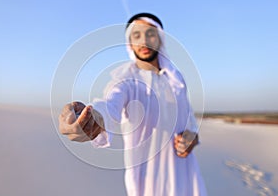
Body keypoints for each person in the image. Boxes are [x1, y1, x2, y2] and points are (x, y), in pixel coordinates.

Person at [59, 13, 207, 196]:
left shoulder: (176, 80)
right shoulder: (126, 80)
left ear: (160, 39)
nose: (144, 40)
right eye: (136, 35)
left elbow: (190, 121)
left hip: (184, 175)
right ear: (130, 43)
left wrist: (192, 138)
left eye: (150, 33)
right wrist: (94, 118)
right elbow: (110, 104)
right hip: (148, 182)